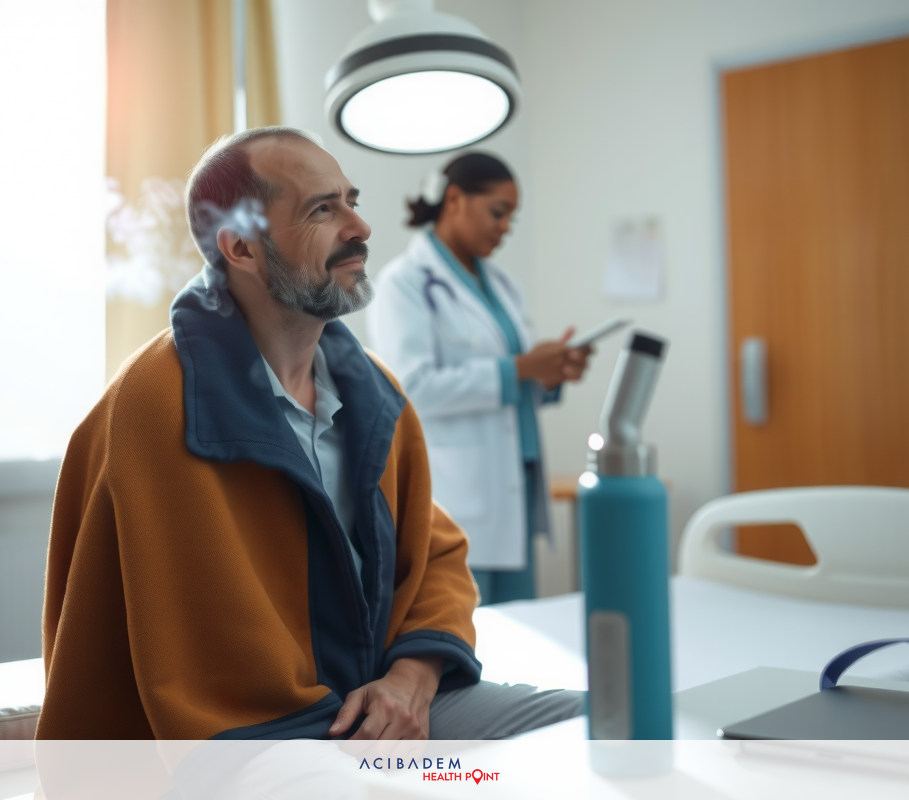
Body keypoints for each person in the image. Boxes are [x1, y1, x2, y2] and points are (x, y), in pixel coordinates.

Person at [36, 128, 582, 740]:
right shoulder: (154, 408)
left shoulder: (374, 392)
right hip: (272, 738)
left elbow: (435, 556)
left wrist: (411, 679)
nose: (361, 227)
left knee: (612, 726)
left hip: (385, 701)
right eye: (322, 209)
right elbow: (193, 672)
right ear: (241, 247)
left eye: (352, 200)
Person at [367, 154, 590, 605]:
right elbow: (410, 388)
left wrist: (550, 374)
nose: (506, 227)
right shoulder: (402, 283)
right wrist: (523, 368)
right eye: (497, 212)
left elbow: (512, 380)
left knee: (519, 627)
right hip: (457, 492)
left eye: (512, 217)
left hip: (515, 484)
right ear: (455, 200)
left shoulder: (503, 286)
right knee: (463, 627)